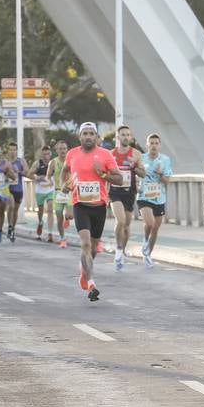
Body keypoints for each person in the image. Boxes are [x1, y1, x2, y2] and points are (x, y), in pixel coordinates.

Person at [63, 122, 125, 301]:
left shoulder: (105, 155)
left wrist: (104, 175)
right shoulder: (72, 154)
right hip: (80, 204)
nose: (88, 137)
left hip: (99, 207)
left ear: (96, 137)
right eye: (85, 134)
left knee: (94, 247)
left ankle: (85, 271)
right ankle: (91, 283)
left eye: (91, 134)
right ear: (79, 137)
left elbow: (119, 180)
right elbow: (66, 171)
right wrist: (64, 185)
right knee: (85, 245)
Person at [108, 126, 143, 269]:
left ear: (131, 137)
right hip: (115, 192)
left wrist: (134, 166)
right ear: (117, 137)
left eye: (128, 135)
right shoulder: (110, 154)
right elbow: (105, 174)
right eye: (123, 135)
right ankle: (117, 248)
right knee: (120, 220)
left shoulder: (136, 154)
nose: (126, 137)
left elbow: (143, 173)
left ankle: (122, 251)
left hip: (129, 192)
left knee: (127, 226)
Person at [137, 132, 173, 267]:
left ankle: (148, 255)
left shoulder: (165, 160)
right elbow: (135, 173)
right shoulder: (141, 158)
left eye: (156, 143)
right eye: (151, 143)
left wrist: (159, 173)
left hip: (159, 198)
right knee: (150, 223)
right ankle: (145, 241)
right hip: (143, 197)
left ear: (160, 145)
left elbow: (167, 181)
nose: (153, 146)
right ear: (147, 145)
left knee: (156, 228)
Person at [50, 139, 72, 247]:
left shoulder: (72, 160)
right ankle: (62, 238)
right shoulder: (53, 162)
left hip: (69, 191)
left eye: (64, 149)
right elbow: (48, 176)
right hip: (58, 192)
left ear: (67, 150)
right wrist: (47, 181)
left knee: (70, 214)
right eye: (60, 149)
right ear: (56, 150)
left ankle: (67, 218)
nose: (63, 151)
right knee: (59, 217)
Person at [32, 145, 56, 242]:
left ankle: (50, 233)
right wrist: (37, 177)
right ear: (42, 154)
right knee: (41, 211)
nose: (46, 156)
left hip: (50, 189)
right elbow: (29, 173)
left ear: (50, 154)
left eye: (48, 153)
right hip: (40, 191)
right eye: (44, 154)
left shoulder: (54, 163)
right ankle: (40, 222)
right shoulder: (37, 163)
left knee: (50, 208)